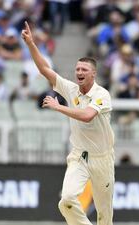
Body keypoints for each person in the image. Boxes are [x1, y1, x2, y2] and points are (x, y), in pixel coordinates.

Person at [21, 22, 115, 225]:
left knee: (104, 216)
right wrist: (31, 44)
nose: (79, 72)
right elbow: (45, 69)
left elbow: (87, 115)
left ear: (93, 74)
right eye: (77, 69)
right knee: (67, 201)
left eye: (84, 69)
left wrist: (58, 107)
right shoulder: (71, 89)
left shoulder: (101, 95)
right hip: (79, 156)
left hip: (102, 159)